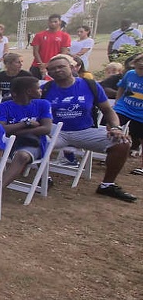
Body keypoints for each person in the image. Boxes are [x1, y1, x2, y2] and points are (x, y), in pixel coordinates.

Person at [42, 54, 136, 202]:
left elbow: (108, 110)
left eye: (61, 66)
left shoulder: (90, 85)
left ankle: (107, 185)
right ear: (49, 73)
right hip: (56, 132)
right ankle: (43, 177)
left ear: (72, 68)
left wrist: (116, 128)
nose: (57, 70)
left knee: (122, 143)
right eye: (53, 69)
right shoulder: (45, 89)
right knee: (34, 141)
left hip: (85, 131)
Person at [114, 53, 143, 176]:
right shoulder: (130, 74)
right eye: (138, 68)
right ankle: (109, 156)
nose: (140, 71)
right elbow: (122, 87)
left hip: (140, 113)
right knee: (110, 127)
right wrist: (117, 101)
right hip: (124, 107)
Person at [30, 14, 72, 79]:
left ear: (60, 22)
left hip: (55, 67)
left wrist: (48, 64)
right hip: (37, 66)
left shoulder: (65, 36)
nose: (53, 24)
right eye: (51, 22)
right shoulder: (39, 35)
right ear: (48, 22)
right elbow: (35, 52)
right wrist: (41, 64)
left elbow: (63, 53)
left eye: (55, 22)